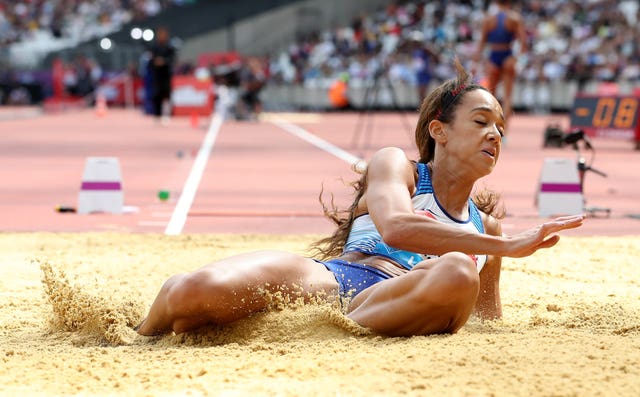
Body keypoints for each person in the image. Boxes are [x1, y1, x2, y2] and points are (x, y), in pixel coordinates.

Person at [136, 60, 583, 337]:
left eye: (501, 127)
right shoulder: (397, 167)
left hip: (406, 298)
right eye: (482, 121)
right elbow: (396, 227)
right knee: (194, 294)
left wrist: (496, 246)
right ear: (439, 131)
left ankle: (333, 331)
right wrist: (506, 247)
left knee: (456, 274)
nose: (495, 133)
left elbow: (486, 320)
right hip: (337, 280)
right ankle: (138, 335)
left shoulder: (488, 228)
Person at [474, 0, 528, 128]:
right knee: (508, 97)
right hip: (507, 56)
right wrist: (516, 59)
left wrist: (478, 63)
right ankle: (504, 132)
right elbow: (524, 43)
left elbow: (481, 45)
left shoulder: (488, 19)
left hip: (493, 56)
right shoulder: (514, 18)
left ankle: (489, 128)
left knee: (490, 96)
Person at [149, 26, 176, 123]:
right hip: (157, 75)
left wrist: (163, 61)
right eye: (160, 35)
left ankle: (166, 115)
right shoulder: (154, 47)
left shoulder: (169, 47)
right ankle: (157, 115)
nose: (162, 36)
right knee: (157, 95)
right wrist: (155, 62)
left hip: (166, 75)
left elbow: (172, 60)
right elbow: (150, 60)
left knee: (167, 95)